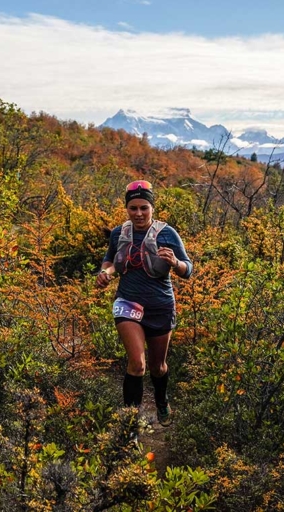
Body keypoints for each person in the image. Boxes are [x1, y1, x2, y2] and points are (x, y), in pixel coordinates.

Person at [96, 180, 193, 426]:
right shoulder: (119, 233)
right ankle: (130, 425)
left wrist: (174, 263)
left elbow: (188, 270)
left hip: (160, 306)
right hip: (128, 302)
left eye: (144, 208)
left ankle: (161, 400)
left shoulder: (167, 234)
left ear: (152, 208)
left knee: (158, 367)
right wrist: (105, 273)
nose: (138, 213)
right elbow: (110, 261)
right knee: (137, 364)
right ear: (127, 209)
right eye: (133, 208)